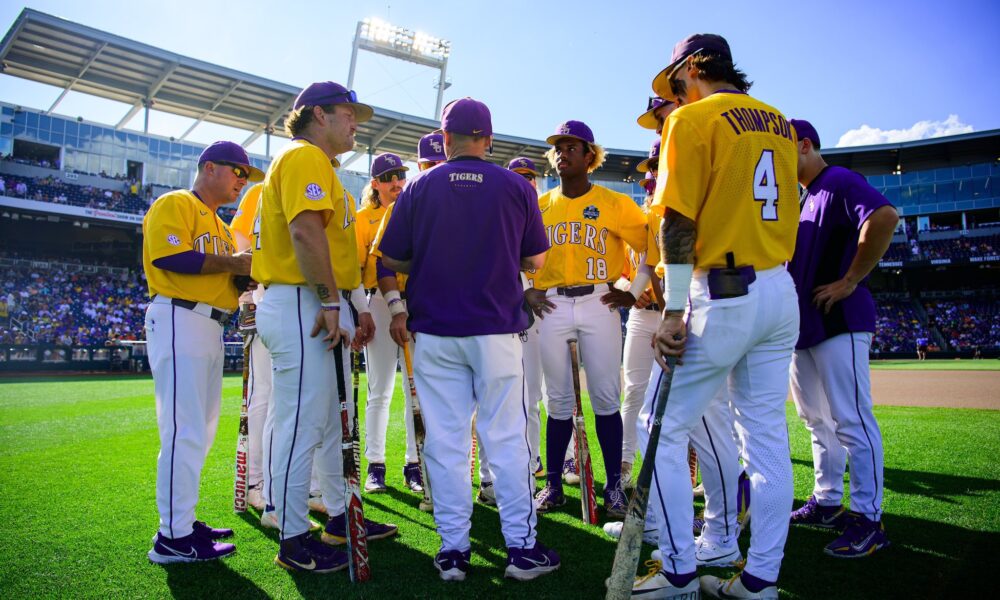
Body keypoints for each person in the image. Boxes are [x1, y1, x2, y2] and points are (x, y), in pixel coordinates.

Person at [635, 34, 801, 599]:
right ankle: (760, 581)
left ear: (691, 69)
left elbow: (677, 224)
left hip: (721, 291)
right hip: (779, 288)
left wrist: (674, 309)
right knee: (768, 441)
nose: (673, 96)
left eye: (675, 83)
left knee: (657, 429)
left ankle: (680, 571)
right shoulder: (778, 119)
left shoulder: (693, 118)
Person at [379, 97, 558, 582]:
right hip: (497, 329)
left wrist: (434, 257)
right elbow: (536, 262)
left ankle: (454, 550)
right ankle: (521, 548)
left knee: (445, 442)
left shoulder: (419, 186)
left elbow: (391, 260)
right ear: (488, 138)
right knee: (506, 439)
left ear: (445, 138)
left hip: (435, 331)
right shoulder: (515, 187)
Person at [251, 81, 391, 574]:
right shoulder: (305, 156)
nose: (355, 122)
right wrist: (333, 301)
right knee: (301, 424)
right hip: (302, 300)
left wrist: (347, 303)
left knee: (333, 423)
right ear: (318, 115)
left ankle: (339, 515)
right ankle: (291, 536)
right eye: (347, 113)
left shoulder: (320, 164)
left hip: (316, 300)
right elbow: (305, 231)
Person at [143, 140, 261, 563]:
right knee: (184, 428)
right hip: (179, 316)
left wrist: (244, 277)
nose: (241, 182)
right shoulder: (176, 203)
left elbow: (226, 277)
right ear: (209, 167)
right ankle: (170, 537)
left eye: (246, 177)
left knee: (202, 428)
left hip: (210, 324)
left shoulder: (224, 227)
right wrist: (235, 265)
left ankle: (183, 522)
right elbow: (170, 256)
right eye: (237, 172)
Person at [525, 120, 647, 520]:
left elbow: (650, 246)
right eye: (558, 147)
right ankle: (555, 485)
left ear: (590, 156)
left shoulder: (614, 202)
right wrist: (525, 287)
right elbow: (514, 250)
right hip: (553, 304)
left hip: (599, 300)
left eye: (572, 147)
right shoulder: (540, 204)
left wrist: (634, 288)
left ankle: (613, 487)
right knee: (558, 401)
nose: (563, 153)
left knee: (607, 397)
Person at [787, 118, 894, 557]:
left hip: (839, 318)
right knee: (817, 421)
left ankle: (869, 519)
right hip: (806, 325)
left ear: (806, 145)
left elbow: (884, 216)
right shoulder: (805, 196)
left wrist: (851, 279)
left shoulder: (839, 179)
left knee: (851, 420)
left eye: (784, 149)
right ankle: (828, 500)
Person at [476, 156, 547, 508]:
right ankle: (488, 478)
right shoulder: (503, 207)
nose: (527, 182)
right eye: (520, 176)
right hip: (502, 312)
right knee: (492, 400)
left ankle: (530, 468)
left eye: (531, 176)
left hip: (536, 313)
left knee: (529, 398)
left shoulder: (541, 207)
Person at [355, 152, 421, 494]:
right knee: (379, 390)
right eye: (390, 176)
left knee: (416, 389)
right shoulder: (363, 218)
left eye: (401, 175)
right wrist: (358, 311)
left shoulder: (412, 210)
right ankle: (376, 465)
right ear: (375, 184)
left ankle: (414, 463)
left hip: (417, 302)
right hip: (380, 302)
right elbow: (354, 270)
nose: (397, 182)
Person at [228, 182, 270, 512]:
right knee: (262, 396)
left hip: (299, 301)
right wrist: (247, 292)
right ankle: (254, 481)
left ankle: (273, 479)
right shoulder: (259, 191)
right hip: (264, 298)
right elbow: (241, 241)